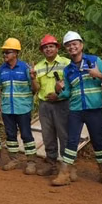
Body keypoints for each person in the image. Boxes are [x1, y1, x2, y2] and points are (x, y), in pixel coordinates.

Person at [53, 31, 102, 187]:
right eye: (68, 45)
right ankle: (64, 174)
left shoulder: (94, 61)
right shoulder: (68, 70)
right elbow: (67, 93)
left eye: (74, 44)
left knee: (98, 141)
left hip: (94, 109)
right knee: (71, 140)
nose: (72, 47)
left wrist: (99, 75)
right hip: (76, 110)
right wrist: (59, 90)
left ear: (81, 45)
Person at [0, 38, 39, 175]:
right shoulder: (1, 70)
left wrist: (33, 79)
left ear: (15, 53)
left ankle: (31, 162)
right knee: (10, 135)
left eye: (7, 52)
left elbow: (35, 89)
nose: (5, 55)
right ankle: (13, 160)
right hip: (8, 109)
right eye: (4, 53)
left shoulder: (25, 68)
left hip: (23, 108)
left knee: (26, 135)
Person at [32, 35, 70, 177]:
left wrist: (59, 94)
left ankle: (67, 167)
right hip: (45, 105)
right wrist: (32, 79)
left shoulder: (67, 63)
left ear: (57, 48)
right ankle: (51, 165)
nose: (48, 49)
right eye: (45, 47)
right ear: (42, 50)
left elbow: (71, 84)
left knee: (64, 135)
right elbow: (36, 89)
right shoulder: (38, 67)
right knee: (47, 136)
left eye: (51, 46)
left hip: (62, 104)